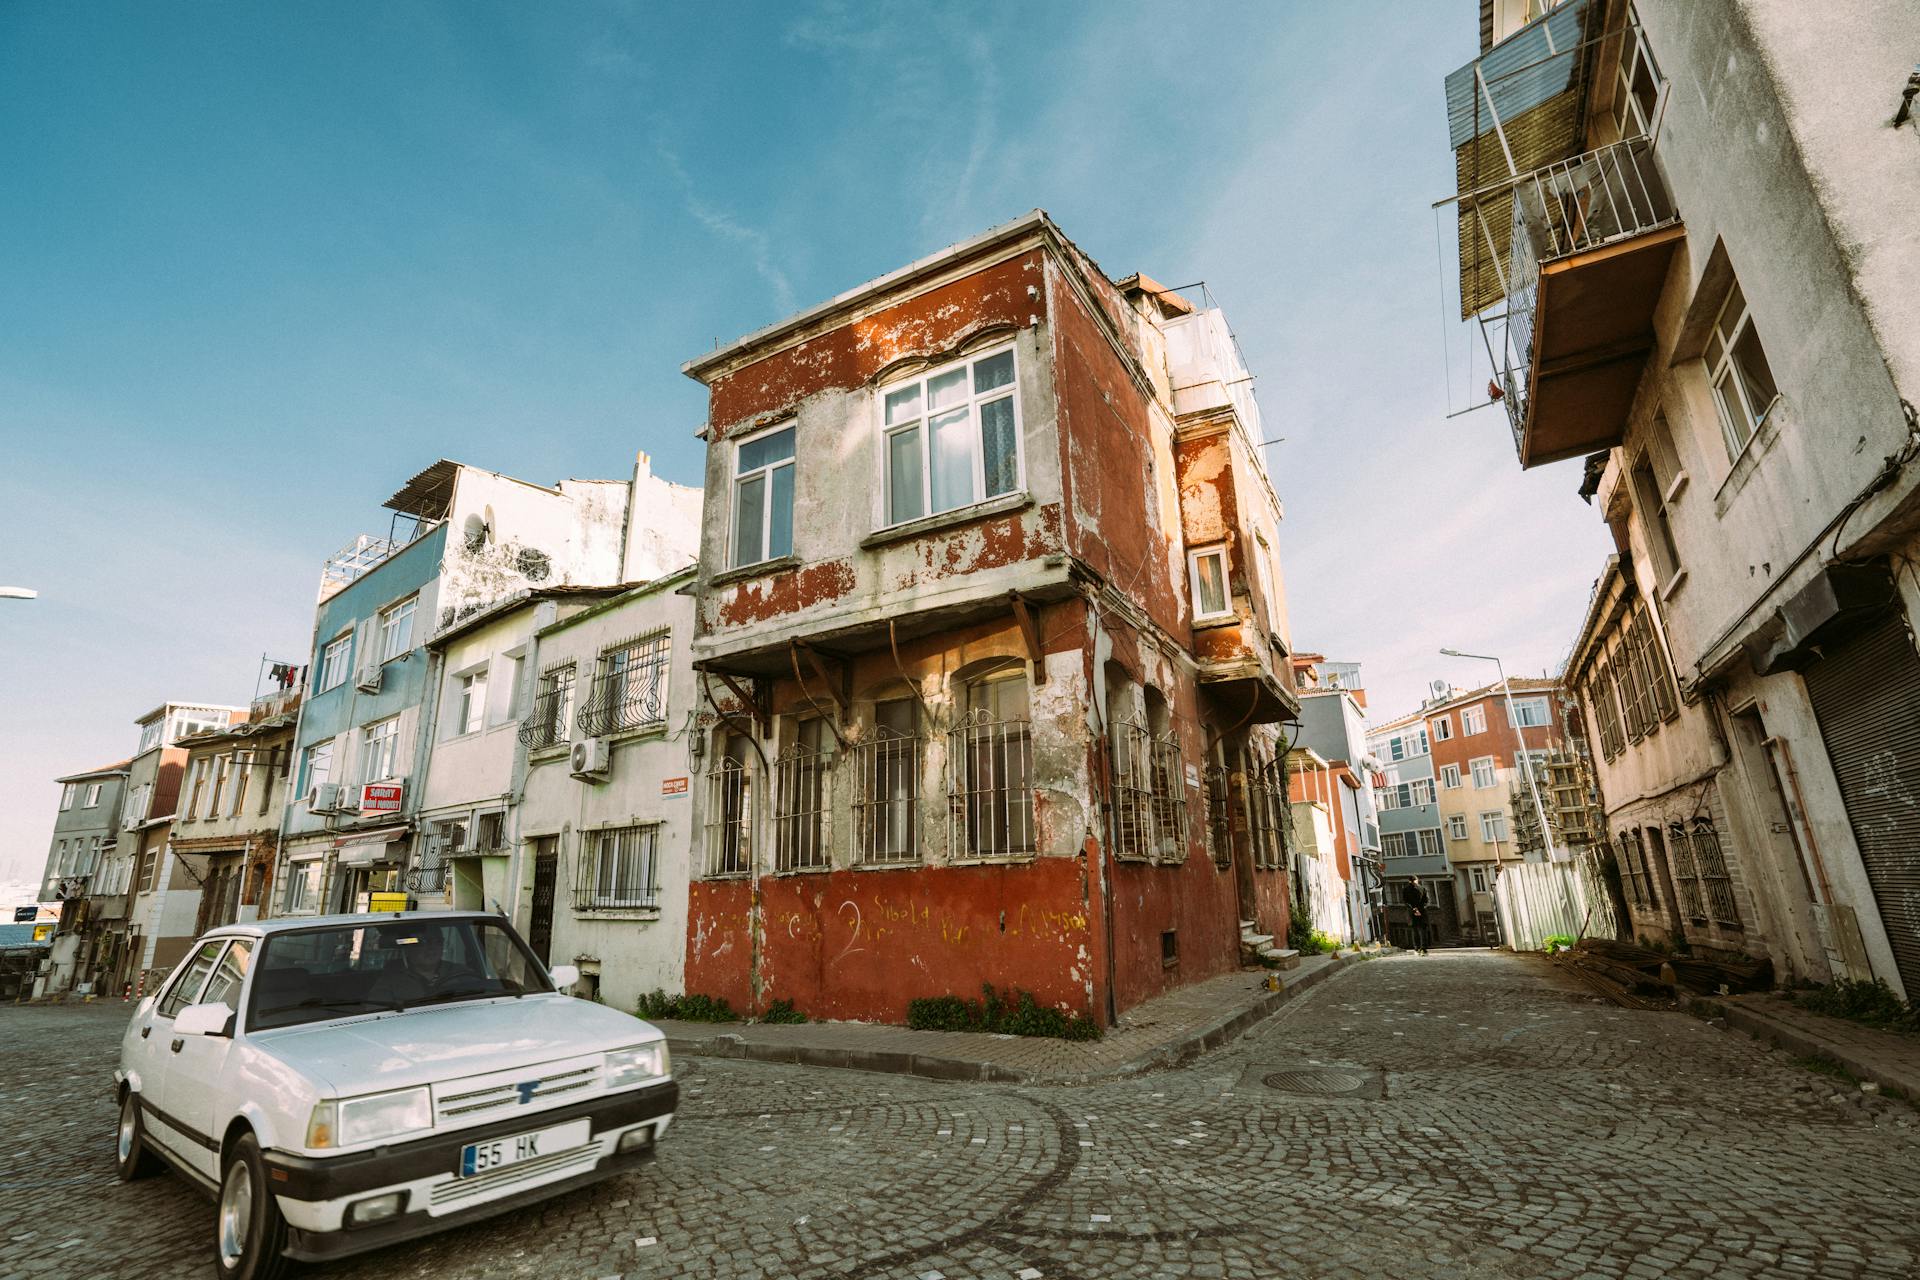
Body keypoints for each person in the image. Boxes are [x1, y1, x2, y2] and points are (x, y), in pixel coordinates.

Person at [1403, 878, 1433, 954]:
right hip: (1422, 912)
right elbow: (1426, 901)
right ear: (1417, 880)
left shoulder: (1405, 889)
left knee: (1415, 930)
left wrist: (1414, 909)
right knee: (1423, 930)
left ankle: (1417, 947)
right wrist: (1420, 909)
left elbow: (1406, 901)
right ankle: (1423, 947)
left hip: (1412, 912)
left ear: (1409, 881)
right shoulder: (1422, 888)